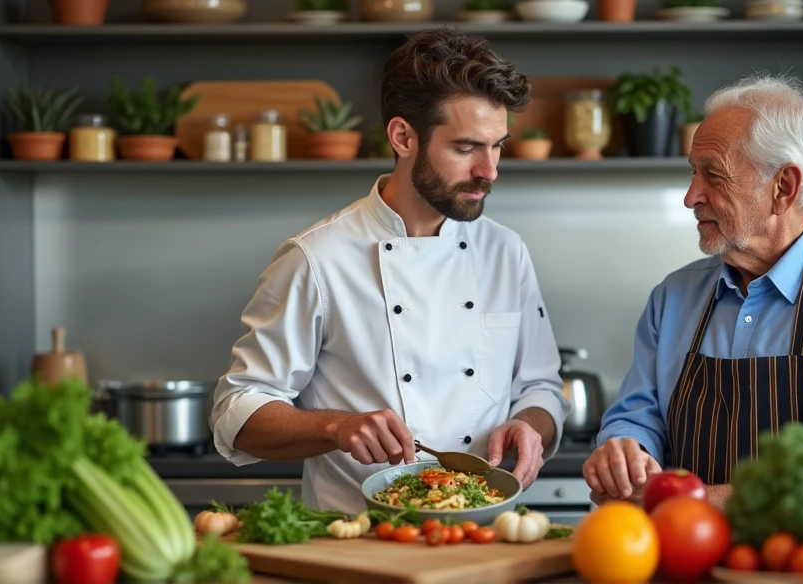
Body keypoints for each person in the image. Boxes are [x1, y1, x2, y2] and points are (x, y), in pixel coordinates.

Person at [209, 26, 570, 514]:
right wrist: (335, 427)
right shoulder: (317, 258)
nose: (490, 170)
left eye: (498, 145)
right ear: (403, 137)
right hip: (358, 539)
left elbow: (541, 387)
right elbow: (237, 410)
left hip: (483, 535)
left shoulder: (507, 252)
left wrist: (531, 424)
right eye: (466, 148)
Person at [584, 73, 803, 509]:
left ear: (784, 187)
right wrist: (624, 453)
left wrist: (686, 501)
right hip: (677, 558)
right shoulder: (673, 298)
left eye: (714, 175)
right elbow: (636, 417)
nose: (691, 197)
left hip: (798, 571)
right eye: (693, 172)